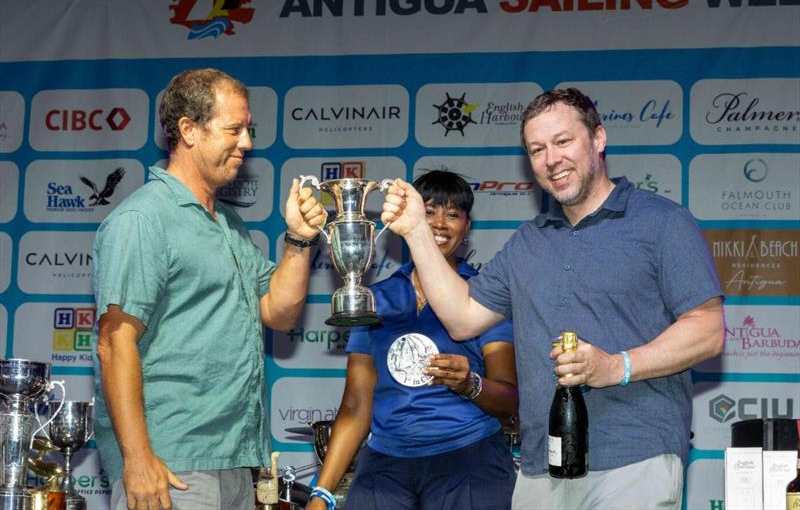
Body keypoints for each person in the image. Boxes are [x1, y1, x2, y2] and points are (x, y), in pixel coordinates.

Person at [380, 88, 725, 510]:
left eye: (563, 142)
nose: (551, 159)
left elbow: (707, 330)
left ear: (598, 138)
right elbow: (462, 318)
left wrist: (616, 366)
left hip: (634, 457)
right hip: (542, 468)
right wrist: (416, 232)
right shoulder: (528, 241)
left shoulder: (661, 222)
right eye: (537, 149)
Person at [93, 68, 326, 510]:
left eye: (248, 130)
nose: (247, 143)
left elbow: (278, 311)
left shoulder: (228, 223)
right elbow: (114, 340)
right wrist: (138, 459)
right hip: (171, 462)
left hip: (235, 458)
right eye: (234, 130)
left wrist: (297, 240)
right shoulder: (143, 219)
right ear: (188, 131)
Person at [307, 170, 518, 510]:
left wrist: (470, 384)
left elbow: (509, 400)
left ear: (466, 227)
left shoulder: (482, 297)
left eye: (453, 214)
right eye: (429, 211)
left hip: (469, 455)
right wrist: (321, 493)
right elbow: (356, 406)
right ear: (407, 220)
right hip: (387, 460)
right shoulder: (374, 299)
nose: (439, 224)